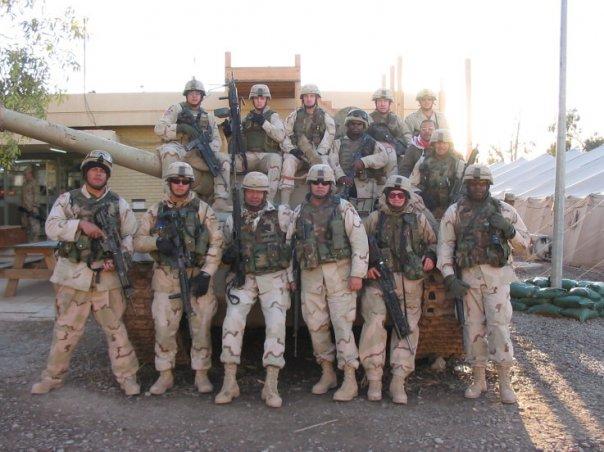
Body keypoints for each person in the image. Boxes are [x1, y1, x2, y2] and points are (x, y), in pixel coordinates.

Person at [31, 150, 140, 396]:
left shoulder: (118, 203)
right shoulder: (67, 200)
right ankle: (52, 378)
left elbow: (129, 234)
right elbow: (51, 227)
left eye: (103, 170)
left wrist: (119, 257)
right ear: (86, 173)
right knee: (65, 331)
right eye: (94, 169)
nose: (98, 173)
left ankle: (127, 378)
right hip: (74, 276)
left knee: (116, 331)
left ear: (107, 175)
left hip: (107, 279)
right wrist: (79, 224)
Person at [437, 164, 530, 404]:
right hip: (468, 279)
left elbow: (526, 246)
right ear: (467, 185)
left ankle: (505, 382)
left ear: (488, 185)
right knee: (472, 328)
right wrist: (449, 277)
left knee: (499, 326)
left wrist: (509, 230)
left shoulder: (504, 210)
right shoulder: (455, 211)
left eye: (482, 183)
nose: (477, 187)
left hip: (497, 278)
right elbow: (445, 247)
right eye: (473, 183)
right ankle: (478, 379)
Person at [133, 162, 223, 395]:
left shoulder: (203, 210)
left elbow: (216, 243)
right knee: (163, 328)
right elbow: (138, 241)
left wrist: (207, 273)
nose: (180, 185)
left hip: (197, 276)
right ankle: (165, 374)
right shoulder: (156, 210)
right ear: (169, 183)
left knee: (201, 328)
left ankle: (201, 374)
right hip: (166, 276)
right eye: (176, 181)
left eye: (185, 181)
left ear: (190, 184)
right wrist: (158, 243)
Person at [288, 164, 368, 402]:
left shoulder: (343, 208)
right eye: (315, 182)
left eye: (324, 183)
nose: (320, 186)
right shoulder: (299, 210)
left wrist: (357, 274)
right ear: (309, 185)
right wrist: (291, 278)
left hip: (339, 274)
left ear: (331, 185)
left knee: (342, 325)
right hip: (311, 275)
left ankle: (350, 377)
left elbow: (359, 242)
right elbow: (289, 246)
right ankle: (327, 371)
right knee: (315, 325)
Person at [215, 172, 293, 408]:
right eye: (250, 191)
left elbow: (292, 245)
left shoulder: (281, 214)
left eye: (259, 191)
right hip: (244, 279)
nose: (254, 195)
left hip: (274, 279)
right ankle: (229, 382)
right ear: (244, 192)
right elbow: (225, 245)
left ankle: (271, 385)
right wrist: (227, 255)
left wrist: (291, 278)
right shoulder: (234, 219)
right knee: (231, 322)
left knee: (277, 325)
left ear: (266, 193)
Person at [359, 175, 437, 403]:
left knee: (408, 327)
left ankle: (398, 380)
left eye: (400, 195)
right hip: (379, 281)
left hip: (410, 281)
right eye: (392, 195)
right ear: (385, 196)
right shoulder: (374, 219)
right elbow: (357, 243)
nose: (395, 198)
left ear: (407, 197)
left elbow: (433, 241)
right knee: (374, 322)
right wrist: (367, 266)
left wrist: (431, 256)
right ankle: (373, 378)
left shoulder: (419, 220)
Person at [154, 77, 231, 211]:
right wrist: (180, 128)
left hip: (198, 154)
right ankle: (169, 199)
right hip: (179, 148)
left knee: (224, 160)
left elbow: (216, 140)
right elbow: (159, 129)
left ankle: (220, 200)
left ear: (202, 96)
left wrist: (207, 148)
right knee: (169, 152)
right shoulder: (177, 109)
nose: (194, 96)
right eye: (191, 93)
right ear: (186, 95)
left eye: (198, 93)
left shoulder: (208, 117)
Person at [329, 109, 396, 217]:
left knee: (364, 217)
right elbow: (333, 161)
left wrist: (364, 162)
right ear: (347, 125)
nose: (356, 126)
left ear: (364, 126)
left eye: (359, 124)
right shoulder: (338, 143)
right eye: (352, 124)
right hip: (343, 184)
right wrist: (341, 176)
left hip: (365, 186)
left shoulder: (371, 142)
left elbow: (383, 157)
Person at [280, 84, 336, 206]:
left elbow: (329, 135)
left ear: (316, 98)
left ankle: (330, 203)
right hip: (298, 155)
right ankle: (285, 204)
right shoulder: (294, 115)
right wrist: (292, 150)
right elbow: (285, 135)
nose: (309, 99)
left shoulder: (325, 116)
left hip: (317, 153)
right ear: (302, 99)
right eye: (306, 96)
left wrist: (319, 153)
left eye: (312, 96)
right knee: (288, 163)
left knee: (326, 167)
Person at [237, 84, 286, 204]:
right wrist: (230, 133)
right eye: (256, 98)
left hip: (267, 156)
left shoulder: (273, 116)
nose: (259, 101)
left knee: (276, 160)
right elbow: (238, 142)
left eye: (262, 98)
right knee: (227, 162)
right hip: (248, 156)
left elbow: (280, 136)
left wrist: (264, 122)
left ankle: (268, 202)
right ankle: (224, 200)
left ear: (266, 99)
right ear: (252, 100)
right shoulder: (247, 118)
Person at [410, 129, 465, 221]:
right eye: (438, 143)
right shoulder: (423, 161)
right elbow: (412, 184)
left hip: (451, 207)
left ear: (449, 145)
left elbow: (463, 186)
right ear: (433, 144)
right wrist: (421, 197)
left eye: (444, 143)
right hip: (427, 207)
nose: (441, 146)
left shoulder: (458, 163)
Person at [368, 88, 406, 161]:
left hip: (395, 153)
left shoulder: (397, 119)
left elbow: (406, 134)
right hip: (375, 154)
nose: (382, 104)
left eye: (385, 101)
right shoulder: (369, 119)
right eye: (379, 101)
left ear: (390, 103)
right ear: (375, 103)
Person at [20, 166, 41, 241]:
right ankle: (28, 240)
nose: (25, 176)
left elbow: (36, 195)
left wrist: (35, 206)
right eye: (24, 174)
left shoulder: (34, 183)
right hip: (25, 208)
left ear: (30, 174)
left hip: (32, 207)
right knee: (26, 225)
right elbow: (23, 196)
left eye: (26, 174)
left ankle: (35, 239)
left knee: (34, 224)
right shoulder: (25, 184)